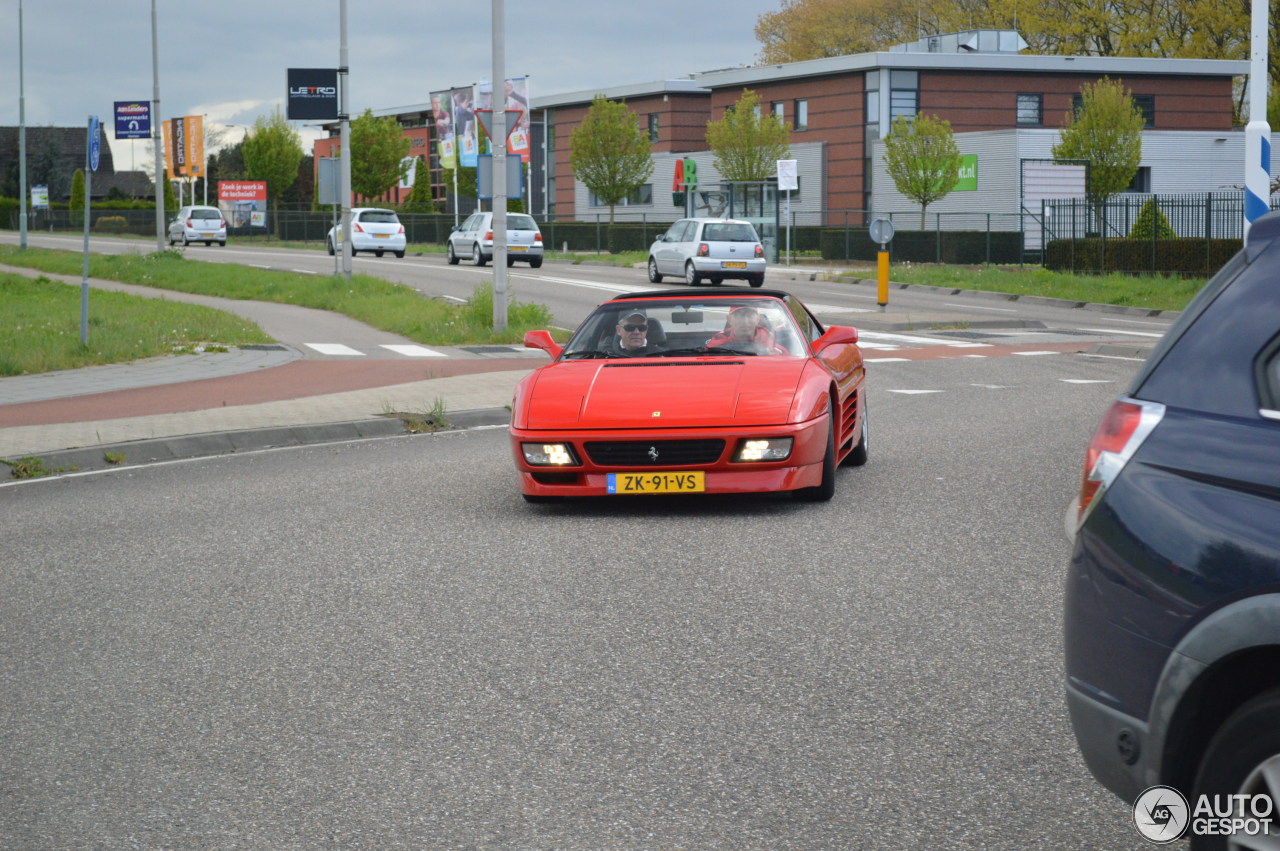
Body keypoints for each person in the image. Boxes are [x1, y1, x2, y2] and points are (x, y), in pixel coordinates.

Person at [706, 305, 785, 353]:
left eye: (750, 316)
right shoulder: (717, 342)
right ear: (729, 319)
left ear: (757, 319)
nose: (745, 321)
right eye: (739, 316)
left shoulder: (771, 343)